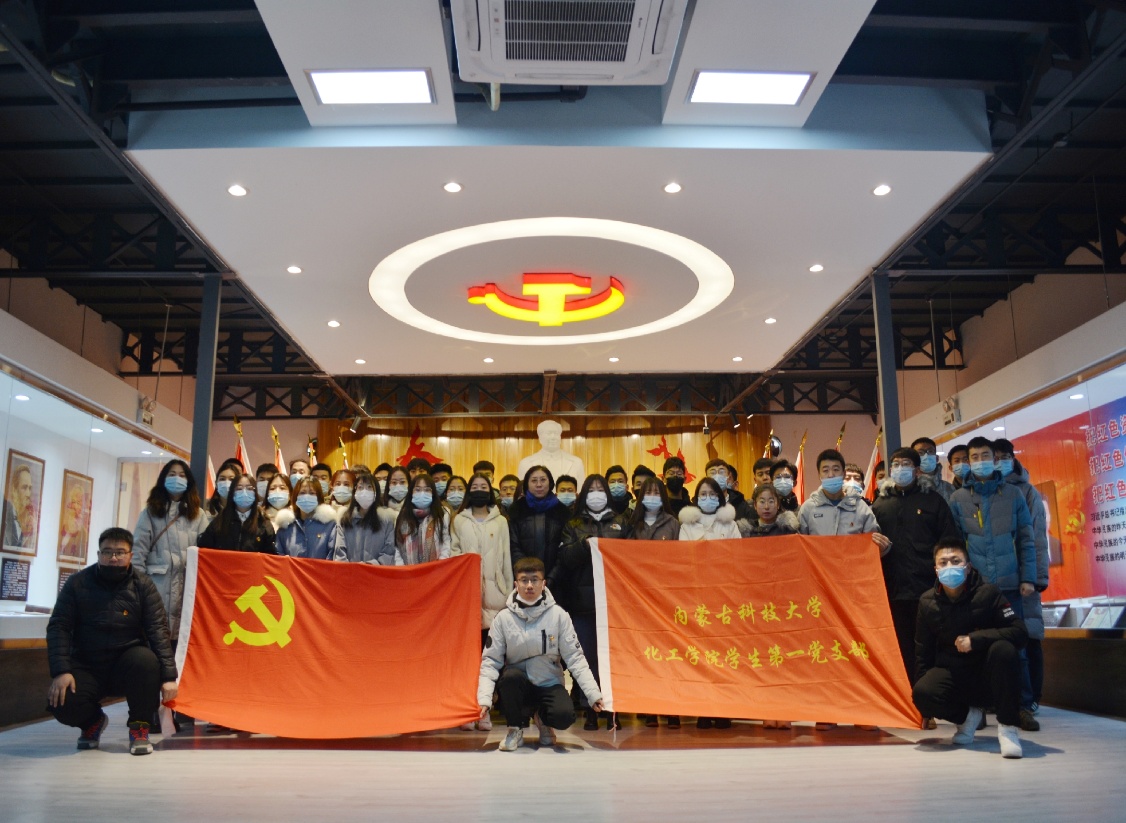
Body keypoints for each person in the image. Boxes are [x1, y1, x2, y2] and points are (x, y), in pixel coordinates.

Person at [46, 527, 178, 756]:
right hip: (87, 664)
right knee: (62, 700)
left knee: (146, 661)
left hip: (127, 664)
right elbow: (59, 626)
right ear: (99, 555)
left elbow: (158, 630)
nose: (113, 558)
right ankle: (93, 722)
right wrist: (61, 671)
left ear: (130, 555)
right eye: (107, 552)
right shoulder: (77, 583)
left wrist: (169, 677)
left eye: (120, 552)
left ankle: (139, 728)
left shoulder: (143, 586)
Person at [947, 436, 1037, 731]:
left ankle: (1022, 707)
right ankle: (979, 708)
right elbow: (955, 545)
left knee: (1017, 648)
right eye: (974, 457)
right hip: (976, 589)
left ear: (995, 459)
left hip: (1010, 584)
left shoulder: (1013, 494)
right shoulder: (958, 499)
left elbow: (1026, 538)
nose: (980, 461)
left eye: (985, 456)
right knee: (974, 648)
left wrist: (1028, 578)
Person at [912, 538, 1027, 759]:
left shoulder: (989, 593)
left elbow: (1019, 632)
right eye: (943, 562)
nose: (949, 566)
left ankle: (1008, 729)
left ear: (968, 566)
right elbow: (922, 652)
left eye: (955, 561)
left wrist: (976, 639)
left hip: (989, 675)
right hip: (955, 674)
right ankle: (967, 718)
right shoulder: (927, 602)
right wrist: (926, 707)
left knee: (1004, 649)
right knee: (922, 692)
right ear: (936, 570)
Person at [478, 557, 604, 751]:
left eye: (535, 580)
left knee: (564, 716)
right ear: (516, 584)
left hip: (548, 682)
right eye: (524, 580)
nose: (529, 585)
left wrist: (593, 694)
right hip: (518, 684)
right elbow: (490, 661)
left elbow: (575, 658)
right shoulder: (503, 618)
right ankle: (515, 729)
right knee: (510, 678)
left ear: (543, 583)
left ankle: (543, 719)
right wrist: (484, 699)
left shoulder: (559, 616)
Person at [870, 447, 960, 701]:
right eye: (896, 464)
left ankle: (932, 699)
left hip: (929, 590)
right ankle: (909, 700)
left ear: (917, 470)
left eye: (906, 464)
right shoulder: (880, 505)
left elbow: (949, 542)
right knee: (901, 648)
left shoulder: (933, 501)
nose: (900, 469)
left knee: (930, 647)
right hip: (894, 590)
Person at [558, 473, 631, 730]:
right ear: (584, 495)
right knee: (587, 657)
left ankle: (613, 709)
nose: (597, 494)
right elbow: (565, 558)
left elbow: (631, 557)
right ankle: (591, 708)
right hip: (583, 602)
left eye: (601, 489)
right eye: (592, 489)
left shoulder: (622, 522)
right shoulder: (573, 524)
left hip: (615, 603)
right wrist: (584, 545)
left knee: (614, 657)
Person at [452, 471, 513, 733]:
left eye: (484, 486)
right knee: (467, 659)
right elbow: (453, 554)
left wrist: (508, 592)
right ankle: (467, 710)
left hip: (495, 595)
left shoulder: (501, 522)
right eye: (474, 486)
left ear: (491, 491)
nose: (479, 490)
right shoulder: (458, 520)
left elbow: (506, 559)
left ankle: (484, 709)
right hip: (466, 596)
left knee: (490, 659)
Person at [994, 437, 1050, 716]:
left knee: (1029, 636)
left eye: (1005, 457)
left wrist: (1036, 577)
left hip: (1024, 579)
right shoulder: (986, 492)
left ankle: (1033, 696)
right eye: (995, 457)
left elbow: (1036, 537)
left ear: (1013, 458)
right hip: (998, 579)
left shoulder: (1026, 492)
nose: (1000, 462)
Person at [132, 459, 208, 643]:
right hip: (156, 587)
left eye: (182, 475)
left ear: (188, 481)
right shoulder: (150, 512)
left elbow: (206, 556)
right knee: (154, 640)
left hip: (186, 589)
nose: (177, 479)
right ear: (163, 479)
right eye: (172, 474)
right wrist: (140, 589)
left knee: (181, 642)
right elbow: (137, 554)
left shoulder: (199, 516)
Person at [508, 466, 572, 596]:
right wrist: (528, 575)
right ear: (527, 484)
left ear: (550, 483)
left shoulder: (563, 511)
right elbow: (513, 546)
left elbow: (565, 548)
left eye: (543, 480)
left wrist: (551, 577)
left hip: (556, 581)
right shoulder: (516, 510)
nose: (539, 484)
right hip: (523, 579)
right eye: (534, 480)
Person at [798, 449, 880, 537]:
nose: (831, 475)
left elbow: (872, 540)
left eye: (836, 469)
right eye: (825, 470)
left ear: (844, 474)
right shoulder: (808, 509)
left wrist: (882, 544)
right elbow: (800, 542)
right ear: (819, 475)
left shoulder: (860, 507)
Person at [197, 472, 276, 554]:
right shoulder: (220, 521)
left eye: (249, 488)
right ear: (232, 493)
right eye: (239, 488)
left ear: (255, 493)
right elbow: (204, 549)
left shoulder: (263, 523)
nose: (244, 492)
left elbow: (271, 556)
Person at [333, 470, 396, 565]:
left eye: (369, 487)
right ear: (355, 492)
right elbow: (339, 551)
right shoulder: (345, 518)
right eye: (360, 487)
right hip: (349, 572)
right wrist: (351, 570)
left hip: (376, 572)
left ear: (376, 492)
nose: (364, 491)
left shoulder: (386, 520)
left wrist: (368, 567)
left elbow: (388, 553)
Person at [274, 476, 344, 560]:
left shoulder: (330, 525)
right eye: (302, 493)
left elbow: (332, 556)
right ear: (296, 496)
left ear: (318, 497)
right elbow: (279, 557)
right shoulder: (286, 525)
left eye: (312, 493)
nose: (306, 496)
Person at [394, 473, 451, 565]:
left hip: (436, 570)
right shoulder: (402, 516)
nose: (422, 493)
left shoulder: (442, 514)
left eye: (427, 490)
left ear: (433, 493)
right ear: (411, 493)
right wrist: (402, 568)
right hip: (407, 570)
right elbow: (397, 546)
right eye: (417, 489)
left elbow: (446, 543)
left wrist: (440, 566)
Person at [517, 419, 585, 483]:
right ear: (540, 438)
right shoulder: (526, 463)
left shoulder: (576, 462)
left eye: (556, 433)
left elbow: (580, 489)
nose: (553, 437)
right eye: (549, 433)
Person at [678, 477, 740, 543]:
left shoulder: (730, 524)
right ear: (697, 497)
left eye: (712, 494)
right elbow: (683, 549)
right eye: (703, 494)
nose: (708, 497)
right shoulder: (687, 526)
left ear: (718, 497)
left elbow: (738, 547)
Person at [628, 476, 679, 541]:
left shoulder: (672, 523)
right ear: (642, 496)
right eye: (648, 493)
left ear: (663, 496)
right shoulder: (633, 522)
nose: (652, 496)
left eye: (656, 493)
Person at [912, 437, 956, 504]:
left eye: (930, 451)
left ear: (937, 458)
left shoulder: (949, 488)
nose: (926, 455)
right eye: (920, 453)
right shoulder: (908, 488)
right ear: (913, 459)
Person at [3, 461, 36, 548]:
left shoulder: (31, 521)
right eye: (24, 487)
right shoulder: (4, 515)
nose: (28, 494)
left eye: (30, 488)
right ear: (14, 489)